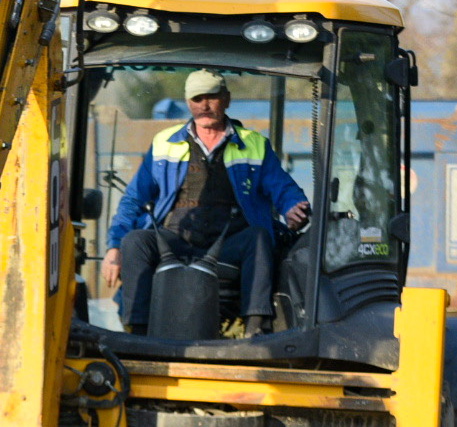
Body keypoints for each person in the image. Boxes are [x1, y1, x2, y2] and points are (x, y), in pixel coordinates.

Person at [102, 69, 311, 337]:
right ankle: (139, 332)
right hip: (174, 241)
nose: (204, 105)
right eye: (197, 98)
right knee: (135, 241)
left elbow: (282, 187)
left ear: (226, 99)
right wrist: (114, 247)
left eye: (212, 97)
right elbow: (133, 199)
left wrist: (293, 206)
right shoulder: (164, 144)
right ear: (189, 103)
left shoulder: (255, 144)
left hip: (229, 243)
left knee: (259, 237)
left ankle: (256, 329)